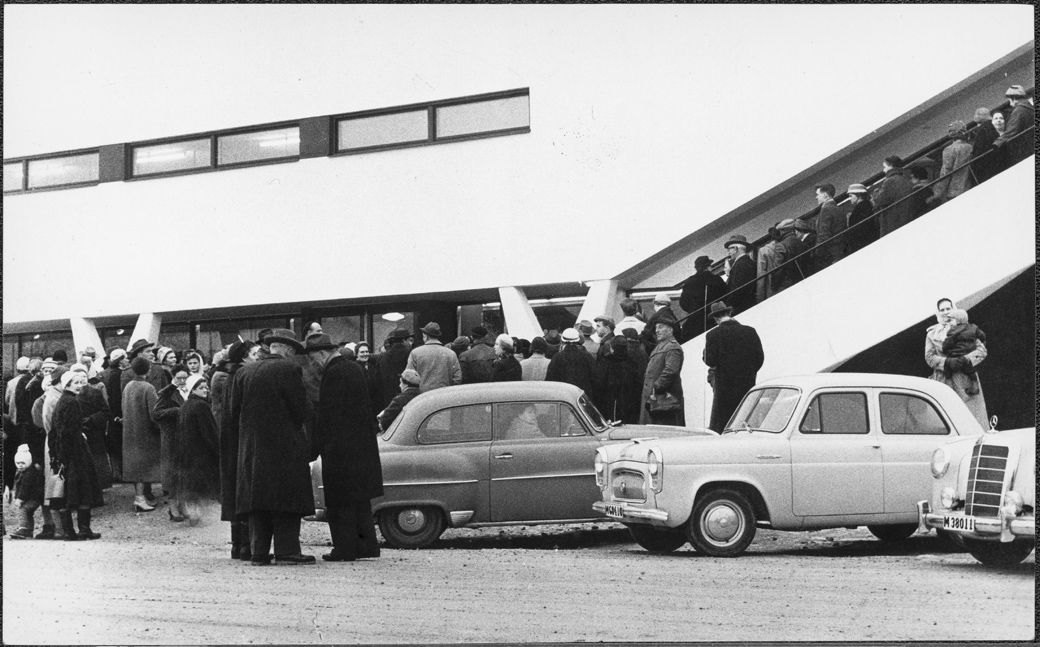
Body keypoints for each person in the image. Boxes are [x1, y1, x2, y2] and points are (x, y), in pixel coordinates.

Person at [230, 329, 314, 565]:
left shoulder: (243, 372)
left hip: (251, 449)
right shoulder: (288, 369)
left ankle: (258, 552)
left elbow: (234, 412)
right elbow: (300, 409)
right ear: (287, 349)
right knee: (286, 498)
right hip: (284, 447)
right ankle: (287, 551)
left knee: (258, 499)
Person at [307, 333, 383, 562]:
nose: (314, 364)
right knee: (360, 499)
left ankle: (345, 548)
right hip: (361, 444)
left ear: (322, 353)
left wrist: (316, 445)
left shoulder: (333, 373)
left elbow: (328, 415)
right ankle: (367, 545)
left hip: (340, 447)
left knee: (340, 501)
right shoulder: (353, 368)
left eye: (313, 358)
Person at [50, 370, 104, 540]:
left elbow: (56, 430)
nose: (80, 386)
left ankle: (70, 531)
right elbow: (68, 431)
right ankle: (83, 530)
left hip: (67, 452)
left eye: (81, 382)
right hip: (76, 453)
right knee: (83, 491)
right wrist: (66, 455)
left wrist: (57, 455)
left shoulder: (62, 401)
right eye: (76, 383)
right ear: (67, 385)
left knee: (68, 492)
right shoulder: (72, 402)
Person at [219, 340, 258, 561]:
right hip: (240, 442)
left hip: (231, 442)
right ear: (244, 357)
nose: (257, 357)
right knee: (243, 489)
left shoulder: (231, 377)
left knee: (235, 490)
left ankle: (238, 545)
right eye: (253, 354)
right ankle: (246, 545)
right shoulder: (243, 378)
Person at [924, 298, 988, 428]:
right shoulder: (932, 334)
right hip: (943, 379)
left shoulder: (967, 329)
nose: (946, 312)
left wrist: (965, 360)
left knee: (971, 419)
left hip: (965, 378)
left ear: (954, 309)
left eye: (948, 308)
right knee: (946, 418)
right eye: (942, 310)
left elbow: (982, 351)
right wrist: (947, 362)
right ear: (938, 312)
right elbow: (929, 357)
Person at [703, 302, 764, 432]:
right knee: (745, 421)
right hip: (747, 384)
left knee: (724, 425)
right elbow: (759, 358)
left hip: (724, 388)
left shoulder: (713, 335)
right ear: (729, 313)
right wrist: (749, 372)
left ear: (715, 318)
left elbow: (710, 360)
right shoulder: (750, 331)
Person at [175, 375, 220, 525]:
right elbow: (210, 432)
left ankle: (192, 512)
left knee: (191, 484)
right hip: (200, 452)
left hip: (187, 451)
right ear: (193, 390)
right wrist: (218, 449)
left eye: (206, 387)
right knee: (200, 484)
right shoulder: (201, 406)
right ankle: (196, 514)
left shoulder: (186, 405)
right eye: (201, 388)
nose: (206, 390)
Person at [123, 356, 161, 512]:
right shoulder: (148, 388)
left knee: (135, 465)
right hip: (145, 432)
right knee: (143, 467)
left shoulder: (128, 386)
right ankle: (139, 498)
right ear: (148, 369)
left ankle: (140, 497)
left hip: (130, 430)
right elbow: (155, 413)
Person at [153, 365, 189, 521]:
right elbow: (156, 413)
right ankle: (173, 507)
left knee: (185, 472)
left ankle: (183, 504)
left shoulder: (189, 390)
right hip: (172, 437)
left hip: (185, 437)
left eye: (185, 377)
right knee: (173, 473)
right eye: (179, 378)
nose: (182, 381)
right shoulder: (167, 393)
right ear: (173, 377)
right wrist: (176, 411)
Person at [639, 311, 684, 426]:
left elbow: (671, 371)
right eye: (656, 328)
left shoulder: (672, 347)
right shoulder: (662, 346)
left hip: (662, 400)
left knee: (664, 430)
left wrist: (657, 386)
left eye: (661, 327)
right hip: (655, 398)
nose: (657, 331)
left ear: (670, 330)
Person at [679, 255, 727, 341]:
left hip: (696, 321)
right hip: (714, 317)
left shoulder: (689, 282)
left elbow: (683, 303)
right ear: (708, 267)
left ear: (696, 268)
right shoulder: (716, 279)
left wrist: (693, 309)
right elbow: (726, 295)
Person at [594, 336, 641, 423]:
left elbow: (599, 383)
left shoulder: (606, 362)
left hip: (611, 402)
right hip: (630, 403)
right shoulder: (632, 362)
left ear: (612, 348)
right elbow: (637, 384)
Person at [405, 322, 462, 392]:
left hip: (422, 395)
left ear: (425, 336)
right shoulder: (451, 354)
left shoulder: (415, 353)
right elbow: (458, 378)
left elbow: (409, 376)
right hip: (444, 394)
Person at [942, 309, 985, 396]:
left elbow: (946, 345)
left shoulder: (953, 331)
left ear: (958, 320)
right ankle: (975, 385)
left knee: (947, 365)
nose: (950, 322)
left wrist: (945, 350)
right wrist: (982, 342)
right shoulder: (973, 327)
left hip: (956, 356)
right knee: (970, 369)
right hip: (968, 355)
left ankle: (949, 385)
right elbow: (982, 335)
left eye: (951, 320)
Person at [101, 349, 129, 481]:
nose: (128, 360)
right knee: (118, 444)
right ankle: (119, 473)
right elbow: (116, 398)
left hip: (113, 415)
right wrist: (118, 415)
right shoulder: (117, 375)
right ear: (120, 360)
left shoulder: (110, 373)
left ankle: (118, 473)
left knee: (116, 444)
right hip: (117, 415)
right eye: (125, 358)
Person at [932, 121, 973, 205]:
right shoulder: (970, 147)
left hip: (954, 191)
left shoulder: (949, 149)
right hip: (969, 186)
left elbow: (946, 172)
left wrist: (937, 193)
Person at [992, 84, 1034, 168]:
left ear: (1013, 98)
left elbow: (1012, 130)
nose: (1010, 103)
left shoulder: (1019, 111)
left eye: (1009, 99)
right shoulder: (1029, 108)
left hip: (1026, 151)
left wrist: (997, 143)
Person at [872, 155, 914, 237]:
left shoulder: (889, 181)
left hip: (893, 221)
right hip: (906, 217)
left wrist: (875, 193)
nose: (884, 170)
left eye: (885, 167)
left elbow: (880, 200)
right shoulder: (906, 180)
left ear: (891, 166)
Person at [8, 444, 44, 539]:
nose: (20, 465)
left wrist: (20, 499)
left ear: (28, 462)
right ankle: (29, 530)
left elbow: (25, 488)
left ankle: (23, 528)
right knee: (29, 513)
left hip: (34, 498)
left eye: (23, 463)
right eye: (18, 463)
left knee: (23, 509)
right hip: (32, 498)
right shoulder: (21, 472)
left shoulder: (29, 473)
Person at [545, 328, 596, 394]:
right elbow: (595, 378)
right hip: (582, 395)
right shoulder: (587, 356)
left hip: (563, 395)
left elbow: (550, 380)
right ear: (578, 340)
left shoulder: (557, 357)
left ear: (562, 341)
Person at [812, 183, 845, 271]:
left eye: (818, 194)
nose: (816, 197)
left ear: (825, 195)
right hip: (839, 250)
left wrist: (817, 253)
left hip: (831, 254)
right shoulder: (837, 208)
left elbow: (824, 234)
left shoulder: (826, 209)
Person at [376, 329, 413, 407]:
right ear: (404, 340)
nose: (410, 343)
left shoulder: (383, 357)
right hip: (408, 398)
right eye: (409, 340)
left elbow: (378, 380)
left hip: (388, 398)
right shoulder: (411, 354)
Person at [722, 234, 756, 315]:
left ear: (735, 249)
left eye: (729, 249)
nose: (728, 253)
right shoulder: (745, 262)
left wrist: (728, 306)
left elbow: (738, 290)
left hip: (742, 308)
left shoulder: (741, 264)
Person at [969, 107, 1002, 185]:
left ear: (980, 116)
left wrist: (973, 161)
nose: (974, 116)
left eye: (976, 114)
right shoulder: (994, 125)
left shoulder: (983, 129)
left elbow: (980, 149)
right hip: (998, 160)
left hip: (989, 166)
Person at [773, 219, 807, 293]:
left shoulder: (780, 245)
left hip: (788, 284)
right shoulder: (800, 241)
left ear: (782, 231)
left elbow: (778, 269)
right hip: (803, 279)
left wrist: (774, 286)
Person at [354, 341, 385, 423]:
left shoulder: (372, 367)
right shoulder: (355, 368)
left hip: (374, 405)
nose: (365, 354)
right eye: (362, 352)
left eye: (367, 351)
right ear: (356, 354)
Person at [843, 183, 877, 254]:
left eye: (851, 196)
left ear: (858, 195)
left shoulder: (860, 208)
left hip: (863, 244)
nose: (850, 199)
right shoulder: (867, 205)